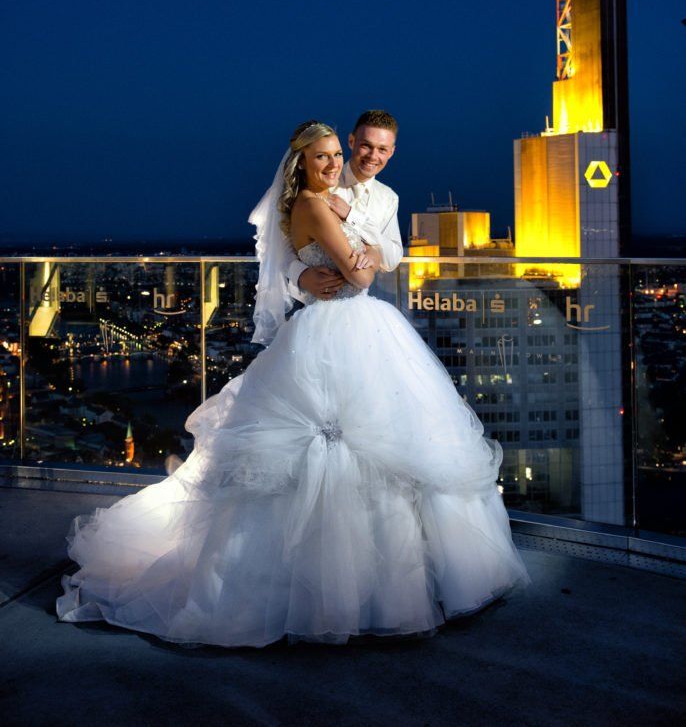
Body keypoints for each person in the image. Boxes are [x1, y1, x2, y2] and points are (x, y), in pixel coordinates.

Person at [57, 120, 529, 647]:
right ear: (333, 151)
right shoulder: (317, 196)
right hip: (332, 326)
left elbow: (388, 254)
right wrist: (314, 270)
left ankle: (400, 586)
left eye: (379, 150)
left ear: (391, 153)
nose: (349, 161)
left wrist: (355, 240)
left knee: (389, 449)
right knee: (329, 447)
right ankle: (328, 593)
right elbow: (329, 268)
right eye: (340, 152)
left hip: (364, 327)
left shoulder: (375, 196)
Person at [286, 110, 402, 304]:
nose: (373, 156)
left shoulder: (388, 198)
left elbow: (391, 259)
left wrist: (353, 217)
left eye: (382, 149)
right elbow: (279, 245)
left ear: (391, 152)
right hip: (321, 305)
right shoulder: (322, 182)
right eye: (366, 146)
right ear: (351, 141)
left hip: (369, 307)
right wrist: (301, 275)